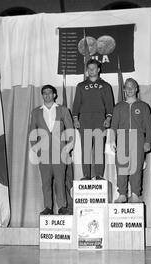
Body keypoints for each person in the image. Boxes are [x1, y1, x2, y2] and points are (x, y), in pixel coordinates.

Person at [30, 85, 74, 215]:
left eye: (49, 93)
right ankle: (48, 207)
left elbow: (70, 130)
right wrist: (36, 150)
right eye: (44, 93)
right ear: (42, 95)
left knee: (61, 181)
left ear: (54, 94)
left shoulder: (63, 110)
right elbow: (32, 132)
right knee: (46, 182)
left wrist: (68, 147)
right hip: (43, 153)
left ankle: (62, 206)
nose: (47, 95)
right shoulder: (36, 112)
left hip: (60, 152)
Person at [110, 78, 151, 203]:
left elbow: (149, 126)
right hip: (122, 137)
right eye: (127, 87)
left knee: (136, 167)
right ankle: (122, 194)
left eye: (132, 87)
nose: (129, 89)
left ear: (136, 89)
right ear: (124, 89)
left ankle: (135, 193)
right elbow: (114, 125)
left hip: (138, 138)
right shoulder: (118, 107)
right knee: (122, 167)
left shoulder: (144, 107)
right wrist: (112, 140)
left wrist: (148, 141)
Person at [72, 59, 114, 180]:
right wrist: (75, 118)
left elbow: (110, 105)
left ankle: (99, 175)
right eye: (89, 69)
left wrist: (108, 118)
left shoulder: (105, 86)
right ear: (86, 70)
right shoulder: (81, 86)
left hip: (100, 119)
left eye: (94, 68)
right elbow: (76, 105)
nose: (91, 71)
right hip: (85, 120)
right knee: (86, 149)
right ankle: (86, 175)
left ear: (98, 69)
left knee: (99, 149)